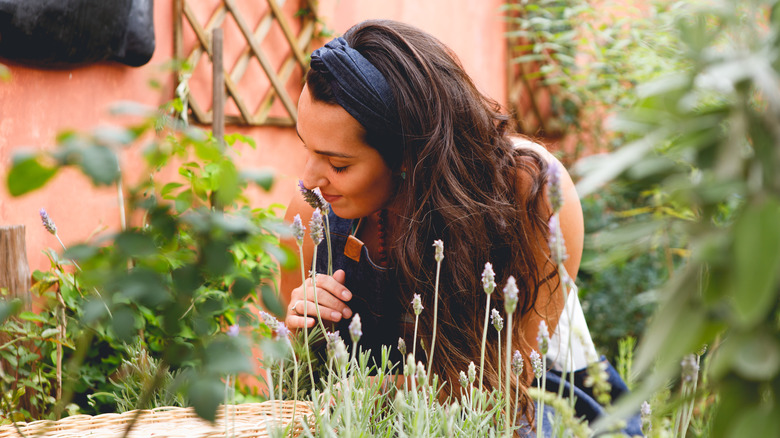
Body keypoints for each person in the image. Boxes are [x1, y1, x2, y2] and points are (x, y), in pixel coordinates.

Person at [280, 19, 640, 436]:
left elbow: (502, 395)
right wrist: (301, 329)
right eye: (305, 148)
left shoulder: (528, 192)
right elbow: (299, 385)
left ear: (406, 155)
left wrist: (377, 391)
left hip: (538, 406)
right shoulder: (310, 215)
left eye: (338, 164)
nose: (309, 179)